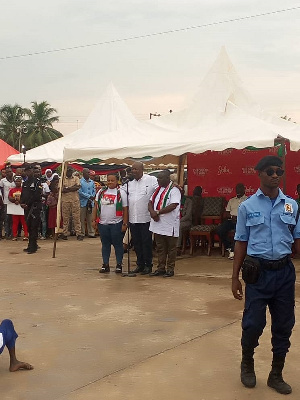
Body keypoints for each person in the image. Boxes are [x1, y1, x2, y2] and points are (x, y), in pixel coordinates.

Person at [232, 155, 300, 395]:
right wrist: (234, 278)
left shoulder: (291, 205)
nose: (275, 175)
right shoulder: (247, 207)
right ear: (258, 173)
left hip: (284, 273)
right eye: (270, 171)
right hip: (258, 273)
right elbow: (241, 242)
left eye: (278, 172)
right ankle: (247, 364)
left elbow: (297, 240)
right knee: (253, 324)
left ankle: (276, 374)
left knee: (284, 324)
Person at [126, 162, 158, 274]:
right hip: (133, 219)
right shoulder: (129, 184)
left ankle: (148, 265)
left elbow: (161, 189)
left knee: (146, 242)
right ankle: (140, 264)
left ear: (142, 169)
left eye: (136, 169)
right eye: (132, 169)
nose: (134, 171)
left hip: (145, 218)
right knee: (137, 243)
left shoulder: (151, 180)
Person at [93, 173, 128, 273]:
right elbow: (96, 206)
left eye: (112, 180)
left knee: (118, 244)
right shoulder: (101, 191)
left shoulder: (121, 192)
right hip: (103, 223)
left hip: (116, 223)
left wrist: (125, 223)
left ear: (117, 181)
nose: (110, 182)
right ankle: (105, 264)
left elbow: (125, 209)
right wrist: (93, 220)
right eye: (108, 180)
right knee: (105, 244)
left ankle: (119, 264)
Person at [148, 170, 181, 277]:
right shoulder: (157, 190)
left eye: (160, 178)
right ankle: (160, 268)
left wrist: (158, 212)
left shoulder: (174, 190)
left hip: (169, 223)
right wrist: (153, 212)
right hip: (158, 223)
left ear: (168, 178)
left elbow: (173, 205)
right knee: (160, 247)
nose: (158, 180)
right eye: (157, 178)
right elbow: (150, 202)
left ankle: (170, 269)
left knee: (171, 248)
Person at [216, 183, 247, 260]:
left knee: (238, 232)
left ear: (244, 189)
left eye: (240, 188)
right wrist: (231, 216)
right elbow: (226, 213)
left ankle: (233, 251)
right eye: (237, 188)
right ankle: (229, 247)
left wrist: (240, 217)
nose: (238, 190)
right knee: (220, 230)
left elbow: (249, 212)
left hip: (241, 221)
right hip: (231, 220)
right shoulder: (231, 200)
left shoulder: (248, 200)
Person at [20, 164, 43, 254]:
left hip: (34, 207)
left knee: (34, 227)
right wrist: (22, 203)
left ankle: (33, 247)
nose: (28, 172)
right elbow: (23, 194)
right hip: (26, 208)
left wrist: (27, 203)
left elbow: (36, 195)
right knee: (28, 226)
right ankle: (31, 244)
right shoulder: (25, 183)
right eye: (27, 171)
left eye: (30, 171)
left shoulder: (37, 182)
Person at [176, 186, 204, 254]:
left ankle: (177, 247)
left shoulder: (188, 201)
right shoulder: (174, 200)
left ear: (183, 192)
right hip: (174, 220)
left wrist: (178, 221)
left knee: (178, 226)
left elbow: (188, 216)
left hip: (186, 221)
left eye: (180, 191)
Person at [61, 166, 83, 240]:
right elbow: (61, 190)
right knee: (65, 218)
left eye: (71, 170)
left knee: (76, 218)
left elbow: (78, 187)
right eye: (68, 170)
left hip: (75, 200)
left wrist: (67, 188)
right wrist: (72, 188)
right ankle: (65, 233)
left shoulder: (76, 178)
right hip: (65, 201)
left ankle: (78, 233)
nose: (69, 171)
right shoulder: (62, 179)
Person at [8, 175, 28, 241]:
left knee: (24, 222)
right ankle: (14, 236)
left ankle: (26, 235)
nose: (18, 183)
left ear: (21, 182)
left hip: (22, 208)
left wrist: (20, 201)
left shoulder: (24, 190)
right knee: (15, 222)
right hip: (15, 209)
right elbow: (9, 197)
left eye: (19, 181)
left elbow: (26, 198)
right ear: (14, 182)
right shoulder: (12, 190)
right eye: (16, 181)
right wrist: (14, 200)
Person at [78, 168, 96, 238]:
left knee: (90, 218)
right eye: (87, 173)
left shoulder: (92, 182)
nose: (89, 174)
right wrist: (89, 196)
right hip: (83, 202)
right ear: (83, 173)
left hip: (90, 202)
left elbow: (94, 190)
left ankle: (91, 232)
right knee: (81, 218)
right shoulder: (80, 181)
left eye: (89, 173)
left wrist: (93, 196)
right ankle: (82, 233)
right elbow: (80, 192)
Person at [0, 166, 15, 239]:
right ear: (6, 173)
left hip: (14, 202)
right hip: (6, 202)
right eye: (8, 172)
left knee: (13, 219)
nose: (10, 173)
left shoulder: (15, 180)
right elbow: (1, 191)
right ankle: (7, 233)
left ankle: (13, 233)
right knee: (6, 218)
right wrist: (2, 200)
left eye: (11, 171)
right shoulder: (3, 181)